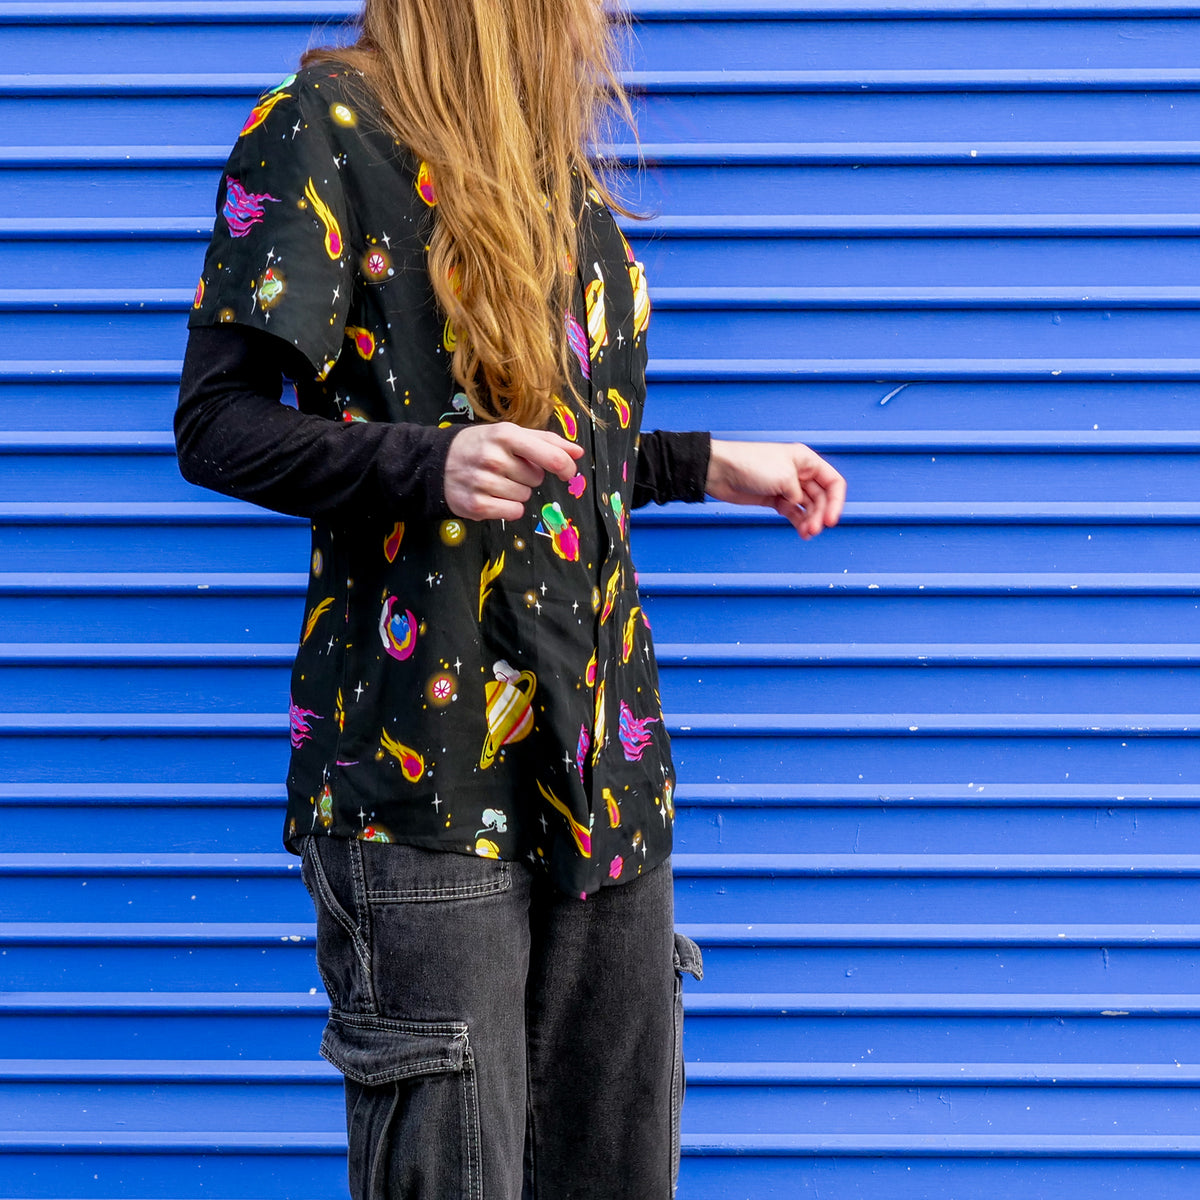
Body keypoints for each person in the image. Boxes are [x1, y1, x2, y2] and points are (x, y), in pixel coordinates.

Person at [175, 1, 846, 1196]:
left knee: (615, 1167)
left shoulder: (542, 163)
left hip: (600, 764)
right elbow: (217, 427)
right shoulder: (320, 125)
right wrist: (421, 461)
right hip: (422, 776)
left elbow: (550, 455)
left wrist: (703, 464)